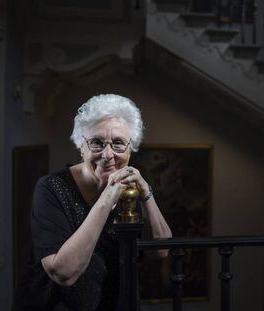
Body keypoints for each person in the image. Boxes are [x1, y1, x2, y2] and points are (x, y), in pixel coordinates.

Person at [13, 94, 172, 310]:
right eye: (97, 142)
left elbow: (161, 251)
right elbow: (64, 274)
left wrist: (146, 193)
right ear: (81, 145)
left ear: (129, 148)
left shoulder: (131, 188)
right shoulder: (51, 188)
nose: (108, 155)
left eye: (118, 143)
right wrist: (106, 199)